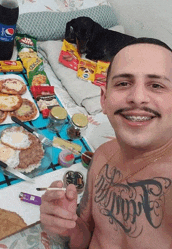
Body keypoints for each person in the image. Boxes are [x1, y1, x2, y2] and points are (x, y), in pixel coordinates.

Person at [40, 38, 172, 249]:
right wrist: (66, 227)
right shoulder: (101, 157)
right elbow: (87, 233)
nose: (137, 98)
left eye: (156, 85)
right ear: (104, 99)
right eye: (123, 83)